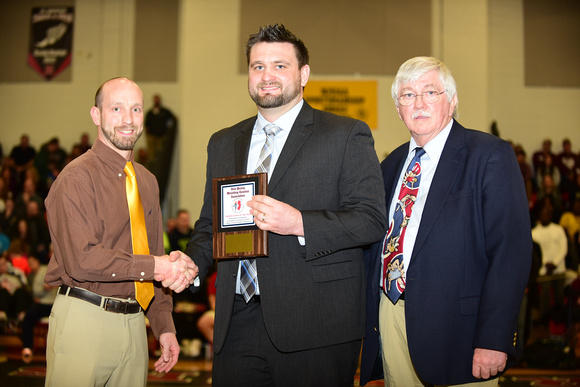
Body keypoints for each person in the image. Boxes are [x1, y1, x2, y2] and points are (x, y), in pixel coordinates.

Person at [180, 24, 386, 386]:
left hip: (315, 325)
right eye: (258, 66)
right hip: (235, 321)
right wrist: (190, 265)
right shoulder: (223, 142)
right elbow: (211, 226)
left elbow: (370, 220)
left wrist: (299, 223)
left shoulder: (345, 134)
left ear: (303, 74)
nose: (267, 76)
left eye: (280, 66)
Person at [360, 56, 532, 387]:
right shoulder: (389, 165)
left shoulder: (488, 155)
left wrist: (494, 338)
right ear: (398, 109)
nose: (418, 103)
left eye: (430, 92)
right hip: (393, 315)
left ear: (451, 102)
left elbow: (510, 252)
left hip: (460, 331)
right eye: (408, 95)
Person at [43, 77, 199, 386]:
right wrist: (157, 266)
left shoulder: (148, 181)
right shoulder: (75, 178)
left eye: (136, 109)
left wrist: (164, 324)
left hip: (134, 325)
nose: (128, 120)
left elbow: (152, 255)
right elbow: (82, 261)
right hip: (84, 317)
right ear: (96, 115)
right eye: (117, 108)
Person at [532, 204, 569, 326]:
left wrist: (555, 263)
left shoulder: (558, 229)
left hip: (558, 270)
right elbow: (535, 254)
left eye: (548, 213)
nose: (545, 215)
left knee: (559, 296)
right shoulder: (534, 232)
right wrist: (545, 265)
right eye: (543, 213)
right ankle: (543, 320)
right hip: (543, 272)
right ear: (539, 215)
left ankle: (559, 321)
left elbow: (564, 248)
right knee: (545, 294)